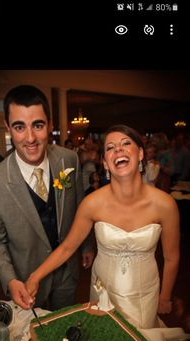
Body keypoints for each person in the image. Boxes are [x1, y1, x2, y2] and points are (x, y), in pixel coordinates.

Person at [26, 124, 180, 330]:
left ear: (141, 154)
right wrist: (35, 277)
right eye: (110, 147)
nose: (118, 149)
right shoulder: (92, 203)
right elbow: (67, 248)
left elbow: (171, 258)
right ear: (105, 162)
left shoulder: (165, 204)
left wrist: (165, 297)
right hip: (103, 290)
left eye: (126, 143)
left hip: (144, 293)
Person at [0, 85, 94, 310]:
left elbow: (81, 208)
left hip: (68, 270)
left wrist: (87, 245)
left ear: (49, 125)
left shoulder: (69, 160)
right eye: (19, 127)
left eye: (38, 125)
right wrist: (10, 280)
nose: (30, 138)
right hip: (26, 281)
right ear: (8, 128)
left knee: (64, 328)